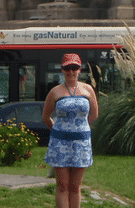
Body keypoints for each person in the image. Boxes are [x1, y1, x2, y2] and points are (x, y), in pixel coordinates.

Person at [43, 53, 99, 208]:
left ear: (79, 70)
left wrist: (79, 128)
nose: (71, 71)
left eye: (74, 67)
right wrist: (58, 132)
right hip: (60, 143)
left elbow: (94, 114)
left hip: (81, 144)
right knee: (62, 186)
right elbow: (46, 117)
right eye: (67, 68)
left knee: (75, 187)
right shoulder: (55, 92)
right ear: (62, 69)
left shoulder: (88, 90)